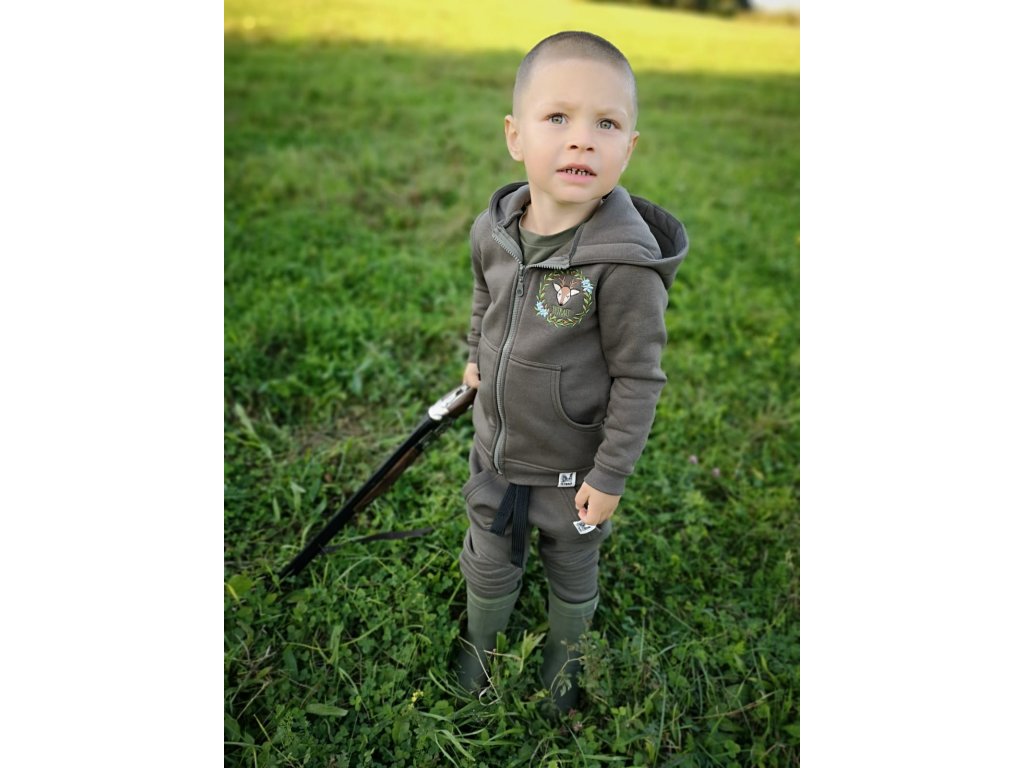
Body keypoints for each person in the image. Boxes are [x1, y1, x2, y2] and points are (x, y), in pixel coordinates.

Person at [454, 30, 688, 714]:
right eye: (558, 117)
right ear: (515, 136)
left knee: (571, 560)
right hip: (498, 450)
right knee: (489, 553)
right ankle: (482, 643)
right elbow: (486, 297)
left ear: (629, 148)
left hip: (572, 469)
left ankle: (565, 653)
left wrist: (609, 475)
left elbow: (638, 378)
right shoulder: (494, 229)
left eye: (605, 124)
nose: (582, 139)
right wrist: (476, 353)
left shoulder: (624, 266)